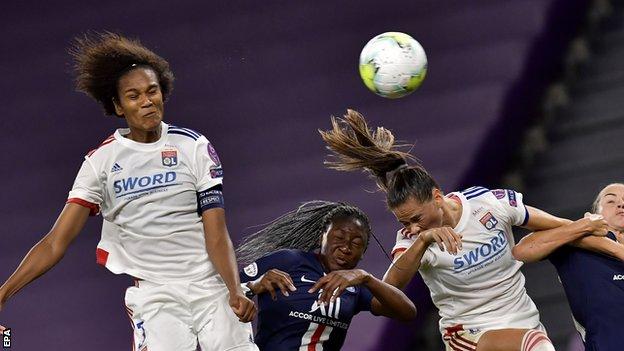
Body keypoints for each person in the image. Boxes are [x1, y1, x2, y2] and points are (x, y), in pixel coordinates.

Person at [0, 33, 257, 351]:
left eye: (152, 91)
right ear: (118, 106)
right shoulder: (100, 163)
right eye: (134, 96)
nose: (147, 101)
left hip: (211, 286)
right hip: (156, 297)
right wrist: (3, 294)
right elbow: (56, 241)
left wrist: (234, 289)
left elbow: (216, 232)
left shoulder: (193, 146)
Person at [318, 109, 609, 351]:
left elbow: (560, 227)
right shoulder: (413, 240)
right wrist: (424, 240)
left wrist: (594, 229)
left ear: (436, 196)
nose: (412, 227)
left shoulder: (487, 204)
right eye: (404, 223)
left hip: (522, 319)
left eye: (417, 218)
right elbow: (389, 289)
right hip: (469, 334)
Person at [236, 201, 417, 350]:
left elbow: (407, 312)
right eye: (339, 238)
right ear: (322, 236)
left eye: (356, 243)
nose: (346, 248)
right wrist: (254, 286)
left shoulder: (356, 285)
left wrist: (366, 278)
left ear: (363, 253)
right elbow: (219, 294)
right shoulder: (287, 260)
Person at [514, 183, 624, 350]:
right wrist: (582, 227)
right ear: (595, 214)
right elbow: (523, 250)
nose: (621, 204)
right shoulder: (575, 243)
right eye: (610, 201)